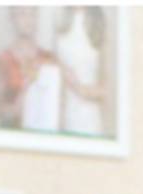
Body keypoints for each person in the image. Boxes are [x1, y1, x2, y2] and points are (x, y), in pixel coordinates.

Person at [53, 5, 106, 135]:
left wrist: (77, 87)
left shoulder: (98, 24)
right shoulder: (59, 19)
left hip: (88, 123)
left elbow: (106, 90)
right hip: (60, 121)